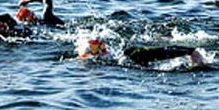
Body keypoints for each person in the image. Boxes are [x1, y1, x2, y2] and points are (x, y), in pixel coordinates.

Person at [76, 36, 209, 68]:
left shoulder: (128, 54)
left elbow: (160, 52)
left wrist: (190, 51)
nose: (104, 50)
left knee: (152, 54)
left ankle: (191, 51)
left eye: (104, 48)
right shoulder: (110, 61)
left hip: (138, 57)